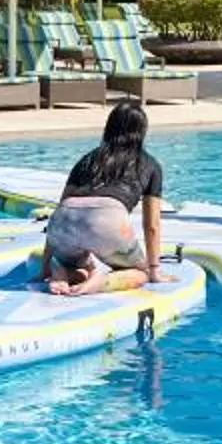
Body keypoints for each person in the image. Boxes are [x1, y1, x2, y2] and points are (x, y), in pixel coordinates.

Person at [43, 98, 165, 296]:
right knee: (139, 273)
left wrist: (45, 267)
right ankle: (101, 281)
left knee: (77, 263)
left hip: (64, 221)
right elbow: (152, 225)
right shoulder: (150, 164)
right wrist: (154, 270)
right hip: (106, 220)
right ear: (142, 132)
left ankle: (62, 272)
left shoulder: (87, 159)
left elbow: (61, 208)